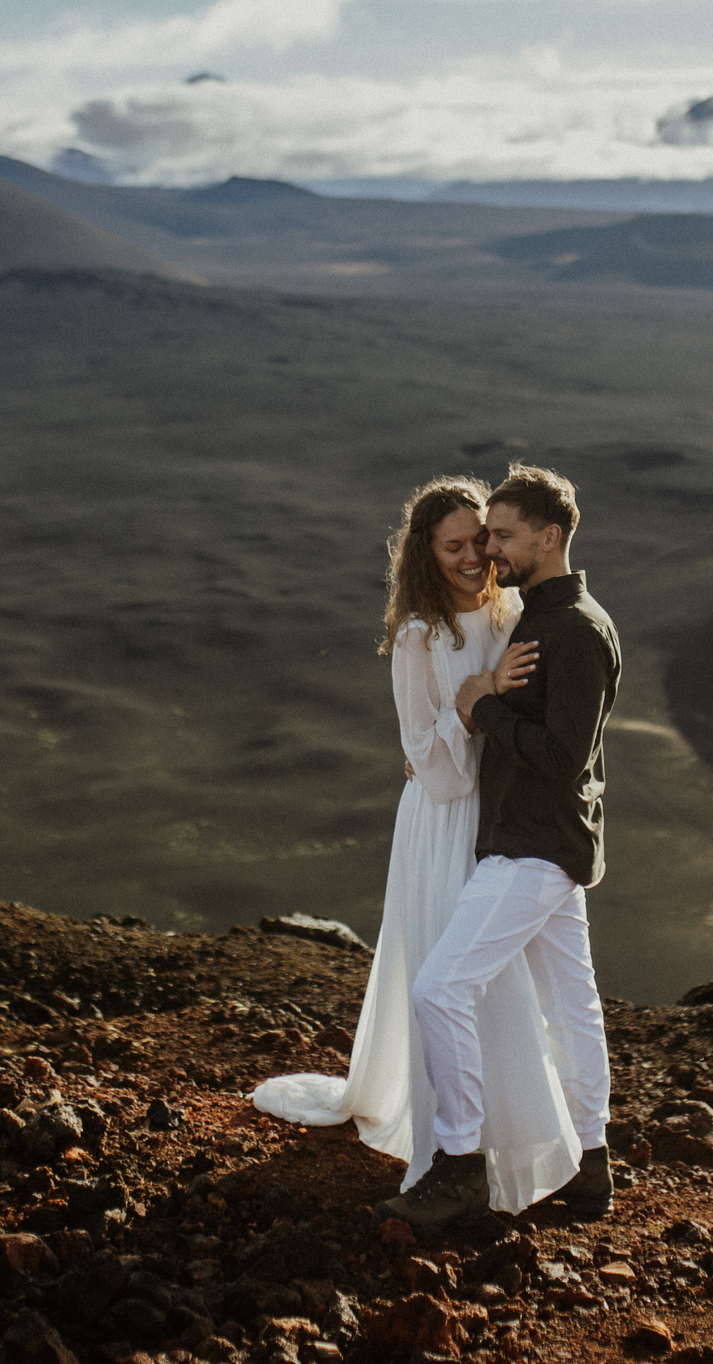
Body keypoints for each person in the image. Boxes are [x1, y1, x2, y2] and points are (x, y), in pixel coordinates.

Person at [250, 476, 585, 1215]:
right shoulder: (420, 638)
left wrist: (487, 702)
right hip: (445, 825)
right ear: (426, 555)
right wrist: (477, 704)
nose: (475, 556)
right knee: (453, 981)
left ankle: (518, 1138)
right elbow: (428, 764)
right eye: (455, 545)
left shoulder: (515, 610)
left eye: (483, 540)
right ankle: (454, 1150)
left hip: (508, 820)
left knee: (507, 986)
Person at [379, 464, 620, 1231]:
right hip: (531, 837)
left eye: (502, 534)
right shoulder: (537, 617)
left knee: (439, 988)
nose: (490, 550)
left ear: (548, 538)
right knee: (572, 1004)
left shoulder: (572, 628)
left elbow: (562, 755)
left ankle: (459, 1164)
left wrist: (482, 707)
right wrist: (476, 706)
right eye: (482, 537)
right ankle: (590, 1166)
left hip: (533, 846)